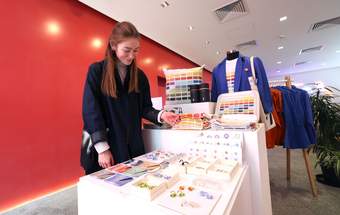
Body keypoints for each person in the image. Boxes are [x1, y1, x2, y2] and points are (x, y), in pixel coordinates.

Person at [81, 21, 179, 174]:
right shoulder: (97, 71)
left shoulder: (139, 77)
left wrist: (162, 115)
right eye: (127, 50)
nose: (132, 56)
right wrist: (102, 149)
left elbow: (145, 108)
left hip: (131, 144)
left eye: (136, 50)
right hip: (105, 147)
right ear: (113, 46)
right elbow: (91, 111)